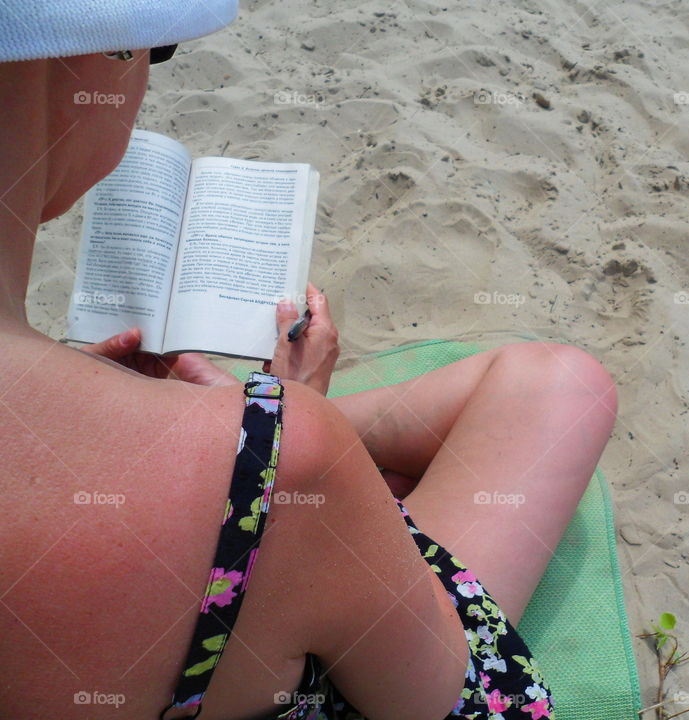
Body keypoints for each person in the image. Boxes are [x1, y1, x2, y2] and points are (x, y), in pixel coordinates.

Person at [0, 3, 618, 718]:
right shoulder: (280, 467)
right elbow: (481, 704)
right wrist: (285, 429)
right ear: (86, 59)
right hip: (276, 512)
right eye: (153, 47)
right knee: (562, 389)